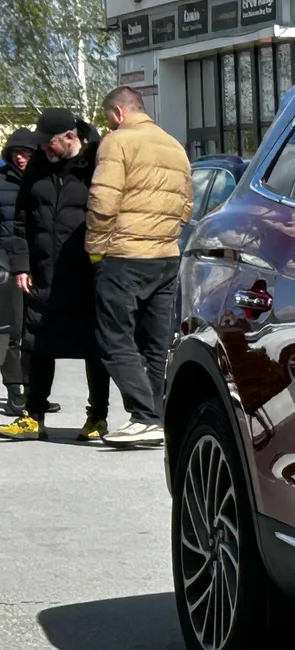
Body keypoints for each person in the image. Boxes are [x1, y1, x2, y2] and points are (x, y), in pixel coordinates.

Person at [87, 86, 191, 448]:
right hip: (166, 255)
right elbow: (186, 204)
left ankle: (144, 416)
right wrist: (167, 235)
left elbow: (103, 198)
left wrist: (97, 249)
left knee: (114, 337)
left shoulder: (117, 142)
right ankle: (159, 417)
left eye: (108, 119)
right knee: (157, 342)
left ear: (118, 113)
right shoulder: (174, 145)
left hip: (126, 253)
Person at [1, 109, 110, 443]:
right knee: (37, 342)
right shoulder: (38, 168)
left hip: (85, 271)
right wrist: (21, 264)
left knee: (94, 345)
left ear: (69, 137)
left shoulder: (96, 164)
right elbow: (20, 220)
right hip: (42, 270)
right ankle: (34, 416)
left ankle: (97, 416)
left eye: (49, 143)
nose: (43, 149)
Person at [0, 128, 40, 416]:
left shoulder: (43, 180)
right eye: (16, 154)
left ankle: (35, 391)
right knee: (10, 329)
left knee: (34, 330)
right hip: (4, 264)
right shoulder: (1, 181)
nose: (21, 159)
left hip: (39, 262)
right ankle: (14, 391)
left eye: (26, 153)